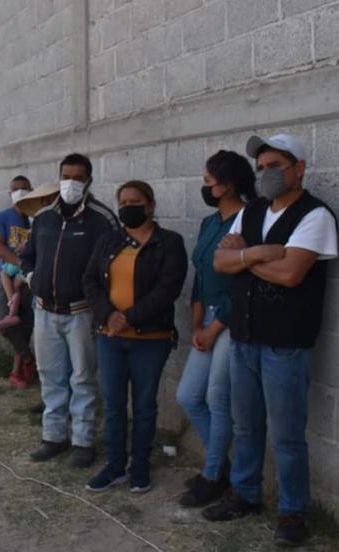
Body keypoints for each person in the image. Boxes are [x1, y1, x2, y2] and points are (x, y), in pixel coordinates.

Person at [205, 134, 337, 547]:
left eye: (275, 166)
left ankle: (293, 513)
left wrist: (243, 258)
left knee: (287, 435)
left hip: (285, 343)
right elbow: (219, 261)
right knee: (246, 427)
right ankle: (245, 494)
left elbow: (291, 274)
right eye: (261, 168)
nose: (266, 174)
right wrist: (260, 254)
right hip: (244, 337)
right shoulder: (254, 209)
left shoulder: (315, 215)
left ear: (299, 168)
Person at [83, 180, 187, 494]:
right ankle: (115, 466)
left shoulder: (169, 242)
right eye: (123, 201)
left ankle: (139, 466)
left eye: (135, 201)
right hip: (110, 337)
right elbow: (89, 281)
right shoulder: (108, 241)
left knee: (143, 405)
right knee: (114, 405)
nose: (128, 206)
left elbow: (168, 289)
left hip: (150, 338)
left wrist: (126, 317)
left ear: (151, 205)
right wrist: (107, 315)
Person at [21, 154, 118, 466]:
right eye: (66, 176)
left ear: (88, 181)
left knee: (82, 378)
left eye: (78, 178)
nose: (71, 183)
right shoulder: (44, 217)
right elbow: (28, 256)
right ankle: (53, 436)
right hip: (44, 312)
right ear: (58, 176)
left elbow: (110, 268)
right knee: (50, 376)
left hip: (82, 314)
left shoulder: (102, 220)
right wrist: (33, 280)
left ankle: (83, 441)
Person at [176, 151, 257, 508]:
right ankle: (222, 466)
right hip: (207, 317)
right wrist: (197, 321)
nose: (205, 187)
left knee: (217, 398)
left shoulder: (250, 221)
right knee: (188, 395)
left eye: (209, 182)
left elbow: (246, 283)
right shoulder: (211, 223)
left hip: (231, 320)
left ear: (228, 185)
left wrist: (213, 327)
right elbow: (201, 275)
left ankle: (212, 476)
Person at [0, 175, 37, 388]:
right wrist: (20, 263)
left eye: (24, 188)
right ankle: (28, 359)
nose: (20, 191)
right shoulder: (2, 217)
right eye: (16, 188)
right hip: (7, 278)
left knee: (24, 328)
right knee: (5, 323)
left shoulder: (38, 218)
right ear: (10, 194)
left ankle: (17, 372)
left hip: (30, 282)